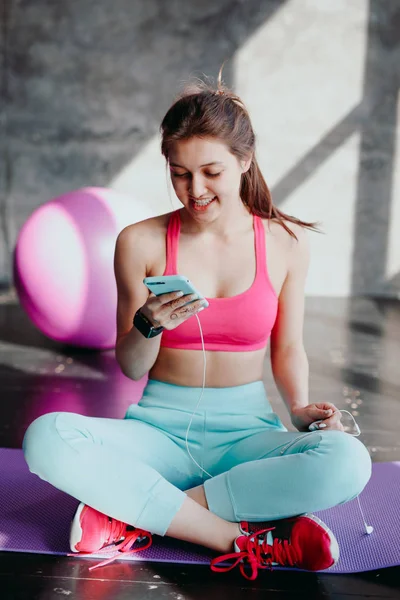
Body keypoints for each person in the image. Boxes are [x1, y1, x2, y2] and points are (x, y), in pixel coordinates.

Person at [23, 75, 372, 581]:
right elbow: (130, 362)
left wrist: (298, 409)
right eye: (181, 173)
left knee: (348, 461)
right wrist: (148, 324)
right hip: (157, 434)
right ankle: (241, 538)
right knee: (45, 436)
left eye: (212, 172)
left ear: (244, 162)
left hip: (247, 436)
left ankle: (135, 512)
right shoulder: (138, 242)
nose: (196, 190)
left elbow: (289, 346)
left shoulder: (285, 242)